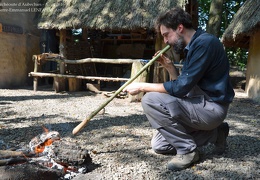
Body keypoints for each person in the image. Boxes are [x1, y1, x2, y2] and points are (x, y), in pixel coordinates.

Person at [123, 7, 235, 171]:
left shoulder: (205, 44)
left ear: (180, 28)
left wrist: (141, 86)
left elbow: (181, 88)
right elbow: (185, 87)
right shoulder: (193, 47)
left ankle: (188, 151)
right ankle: (215, 134)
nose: (166, 41)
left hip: (212, 107)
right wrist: (169, 67)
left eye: (166, 34)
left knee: (150, 100)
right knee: (159, 145)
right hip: (198, 104)